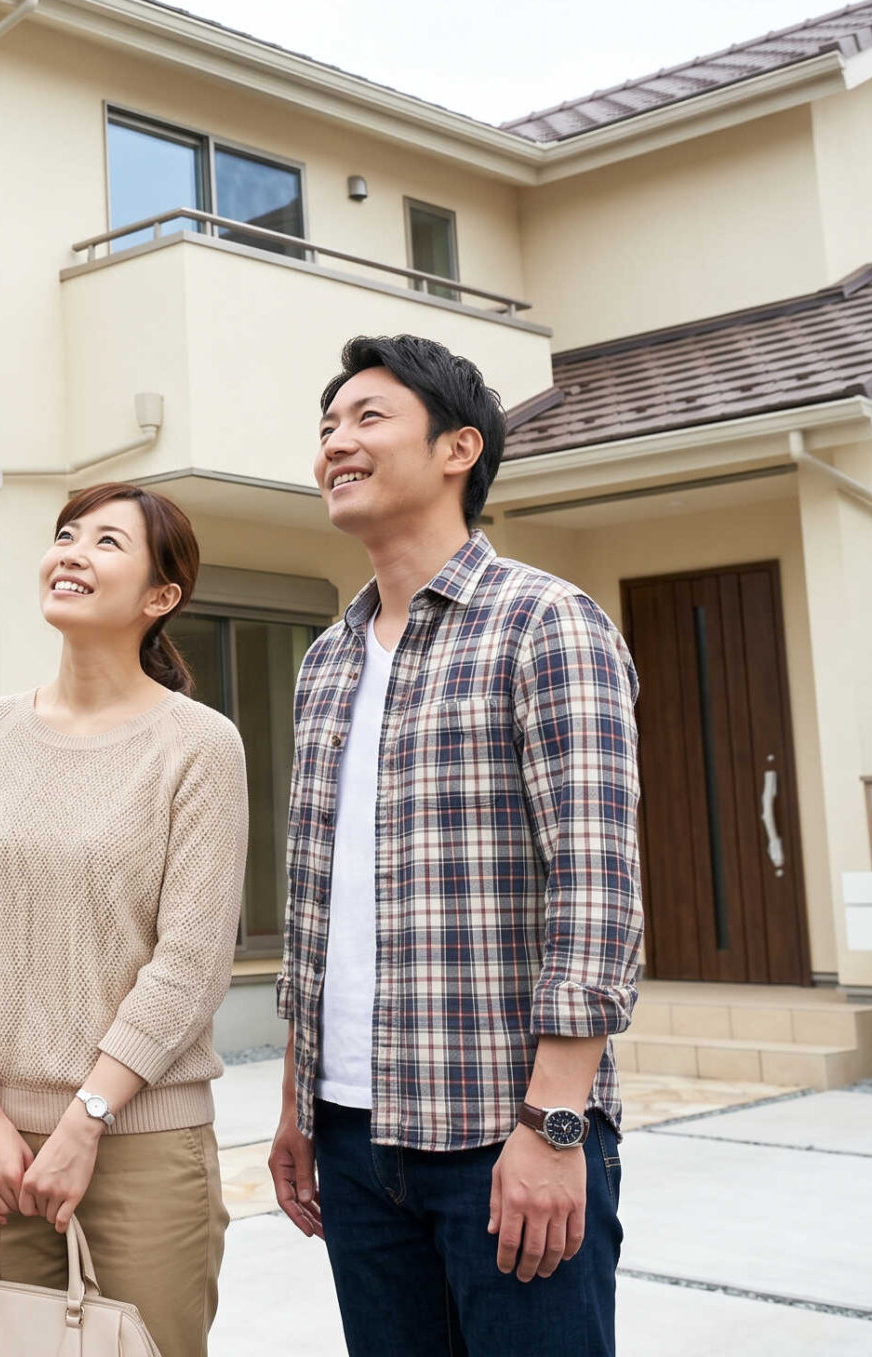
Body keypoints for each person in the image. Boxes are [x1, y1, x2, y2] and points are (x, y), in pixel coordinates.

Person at [266, 335, 643, 1356]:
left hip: (501, 1128)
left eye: (367, 417)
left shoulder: (546, 624)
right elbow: (318, 907)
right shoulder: (325, 662)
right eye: (326, 426)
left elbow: (596, 893)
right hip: (349, 1138)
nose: (336, 443)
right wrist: (298, 1102)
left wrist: (555, 1126)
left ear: (457, 448)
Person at [0, 482, 248, 1357]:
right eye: (66, 534)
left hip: (140, 1146)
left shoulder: (200, 745)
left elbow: (191, 961)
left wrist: (83, 1121)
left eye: (106, 542)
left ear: (159, 597)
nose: (71, 552)